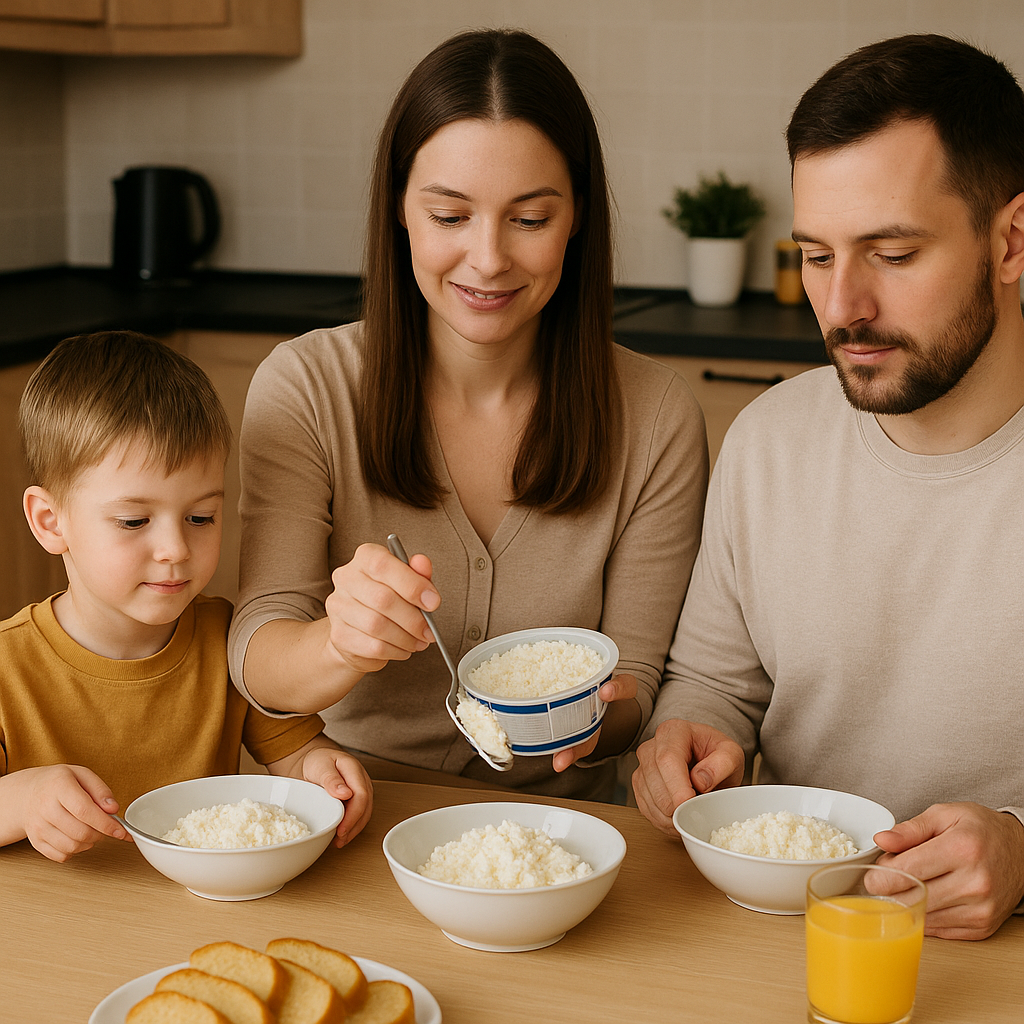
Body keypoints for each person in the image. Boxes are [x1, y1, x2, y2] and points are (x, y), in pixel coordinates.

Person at [227, 28, 708, 801]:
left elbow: (639, 682)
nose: (488, 259)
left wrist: (587, 721)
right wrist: (338, 644)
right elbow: (257, 651)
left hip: (557, 837)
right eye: (450, 216)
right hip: (352, 812)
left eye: (529, 219)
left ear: (577, 216)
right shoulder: (306, 385)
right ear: (400, 212)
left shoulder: (656, 416)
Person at [633, 33, 1024, 940]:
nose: (843, 305)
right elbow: (712, 685)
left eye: (891, 254)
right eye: (816, 255)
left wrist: (1021, 851)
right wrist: (689, 738)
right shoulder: (768, 440)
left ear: (1010, 242)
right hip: (784, 939)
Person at [0, 331, 372, 863]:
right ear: (50, 520)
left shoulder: (227, 640)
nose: (176, 549)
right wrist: (21, 800)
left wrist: (321, 770)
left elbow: (294, 752)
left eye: (201, 517)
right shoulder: (7, 665)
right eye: (134, 520)